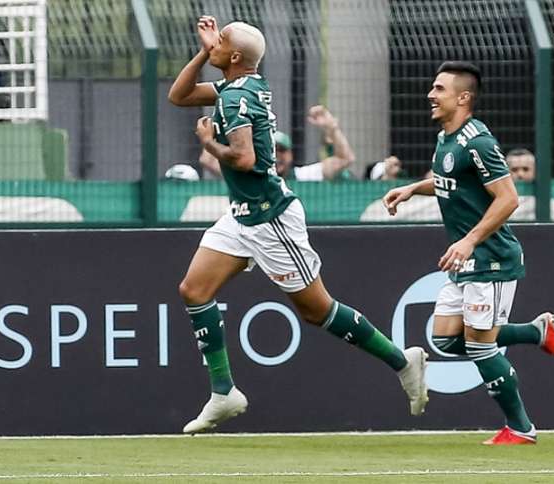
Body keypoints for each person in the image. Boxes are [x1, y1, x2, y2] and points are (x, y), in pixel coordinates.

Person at [168, 15, 429, 434]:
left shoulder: (237, 97)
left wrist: (207, 143)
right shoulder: (239, 85)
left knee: (317, 311)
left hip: (271, 220)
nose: (212, 42)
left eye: (219, 42)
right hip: (241, 215)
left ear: (234, 56)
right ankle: (223, 392)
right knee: (193, 290)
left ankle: (403, 362)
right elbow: (178, 96)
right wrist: (203, 51)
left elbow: (245, 158)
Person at [382, 61, 554, 445]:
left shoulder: (478, 141)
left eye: (439, 89)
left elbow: (508, 198)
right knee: (447, 338)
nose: (430, 95)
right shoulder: (446, 139)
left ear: (463, 98)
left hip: (492, 260)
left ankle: (521, 427)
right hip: (466, 263)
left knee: (480, 344)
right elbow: (447, 180)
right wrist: (412, 189)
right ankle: (537, 332)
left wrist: (470, 239)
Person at [200, 104, 356, 181]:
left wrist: (332, 127)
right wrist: (220, 125)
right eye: (272, 149)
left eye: (282, 150)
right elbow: (207, 160)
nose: (276, 155)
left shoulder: (304, 176)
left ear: (291, 154)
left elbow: (345, 159)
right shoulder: (249, 177)